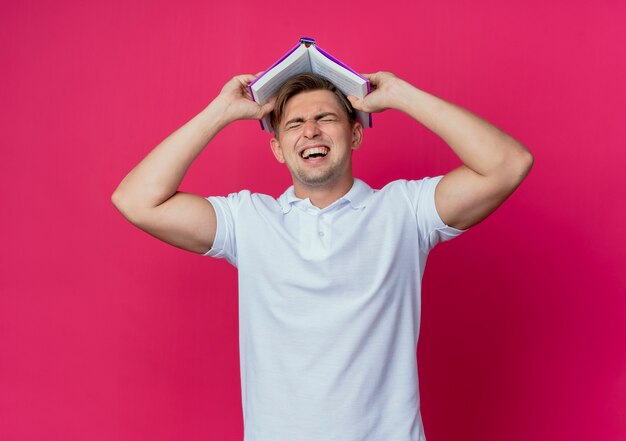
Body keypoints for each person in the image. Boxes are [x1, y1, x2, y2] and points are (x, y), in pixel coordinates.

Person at [112, 71, 533, 441]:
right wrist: (220, 111)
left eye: (325, 118)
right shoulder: (248, 220)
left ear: (355, 134)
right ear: (278, 148)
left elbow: (508, 164)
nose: (310, 130)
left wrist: (401, 94)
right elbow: (136, 200)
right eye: (295, 123)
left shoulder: (405, 211)